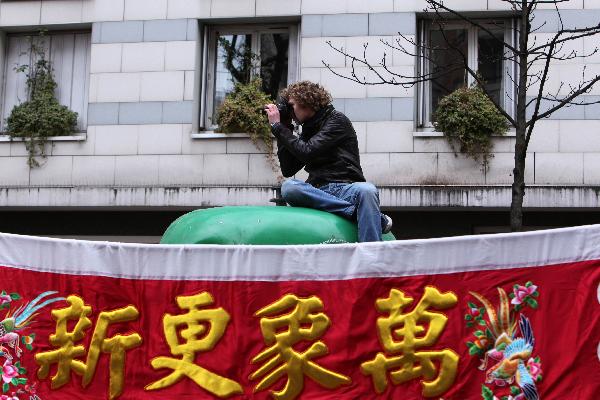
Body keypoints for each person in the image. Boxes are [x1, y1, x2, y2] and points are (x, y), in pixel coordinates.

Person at [264, 81, 392, 242]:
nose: (290, 111)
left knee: (367, 190)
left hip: (346, 189)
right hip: (318, 191)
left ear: (306, 102)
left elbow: (307, 151)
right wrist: (284, 127)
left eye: (291, 106)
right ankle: (356, 214)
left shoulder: (337, 120)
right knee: (289, 187)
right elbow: (288, 169)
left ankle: (371, 255)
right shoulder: (308, 129)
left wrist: (277, 127)